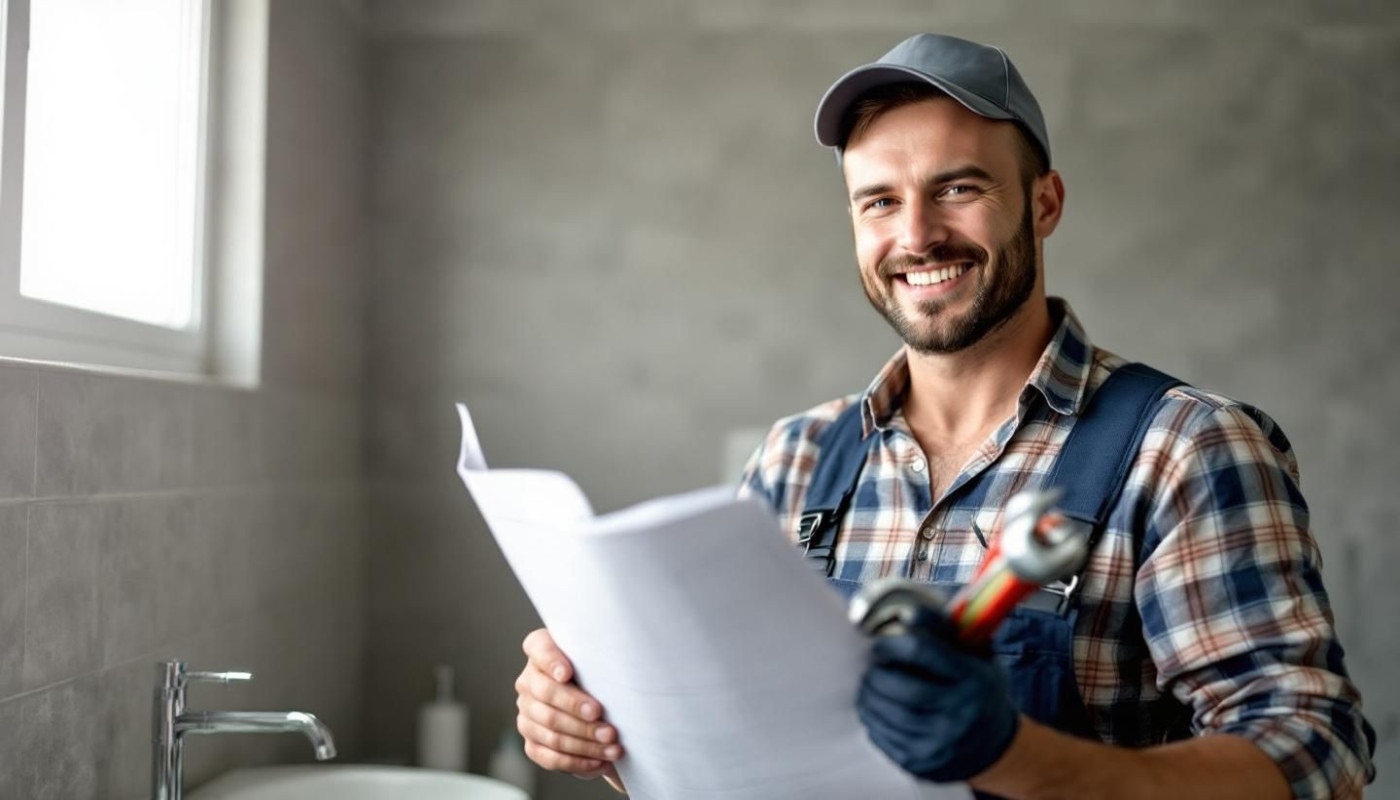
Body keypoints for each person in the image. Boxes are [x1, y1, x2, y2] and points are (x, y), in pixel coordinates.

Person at [512, 33, 1377, 799]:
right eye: (879, 201)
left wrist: (1019, 759)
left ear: (1043, 203)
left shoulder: (1185, 448)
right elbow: (734, 758)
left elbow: (1316, 759)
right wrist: (607, 736)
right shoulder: (797, 459)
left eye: (957, 188)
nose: (916, 235)